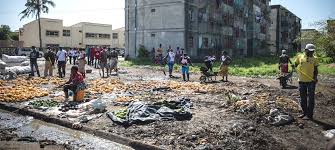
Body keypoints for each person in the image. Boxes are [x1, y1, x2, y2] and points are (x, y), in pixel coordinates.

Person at [294, 44, 319, 120]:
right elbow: (295, 64)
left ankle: (309, 115)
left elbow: (316, 70)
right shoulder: (300, 57)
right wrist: (293, 65)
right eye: (310, 51)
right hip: (301, 81)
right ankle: (304, 113)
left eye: (313, 51)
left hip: (311, 81)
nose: (312, 53)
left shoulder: (315, 59)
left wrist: (315, 78)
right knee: (303, 98)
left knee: (311, 99)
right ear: (305, 50)